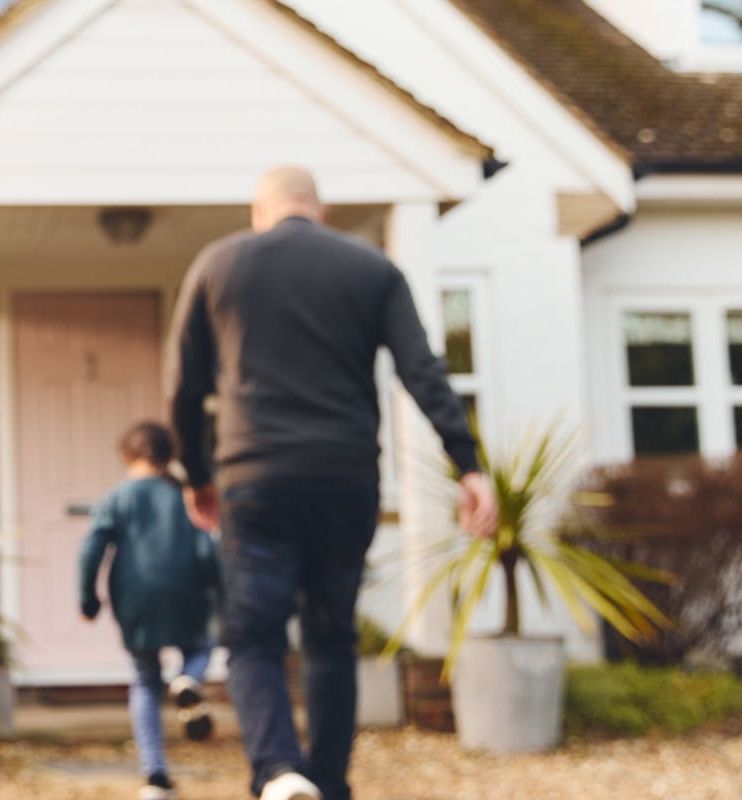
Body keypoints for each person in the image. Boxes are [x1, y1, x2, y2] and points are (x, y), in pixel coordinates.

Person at [167, 166, 498, 800]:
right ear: (320, 209)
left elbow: (183, 384)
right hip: (345, 478)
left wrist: (195, 472)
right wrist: (468, 464)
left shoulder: (220, 264)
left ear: (259, 211)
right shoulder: (371, 268)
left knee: (255, 636)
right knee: (330, 635)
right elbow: (421, 370)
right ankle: (329, 782)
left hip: (254, 477)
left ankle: (278, 772)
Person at [79, 421, 224, 800]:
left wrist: (88, 600)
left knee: (145, 679)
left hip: (134, 598)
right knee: (201, 647)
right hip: (186, 592)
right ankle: (188, 679)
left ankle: (155, 777)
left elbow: (91, 549)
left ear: (127, 456)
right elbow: (209, 549)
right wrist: (219, 594)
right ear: (168, 456)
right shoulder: (184, 495)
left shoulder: (117, 498)